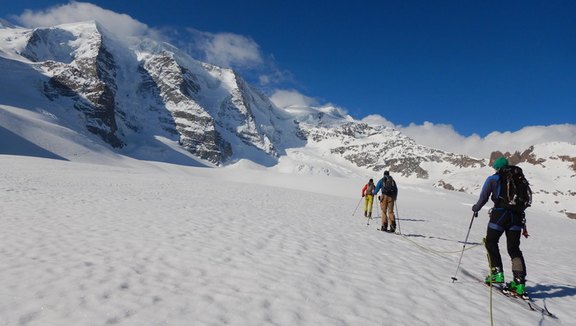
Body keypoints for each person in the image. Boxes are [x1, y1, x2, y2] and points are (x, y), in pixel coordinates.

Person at [472, 156, 528, 296]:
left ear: (497, 167)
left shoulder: (494, 179)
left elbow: (484, 197)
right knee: (514, 249)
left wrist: (476, 208)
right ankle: (519, 283)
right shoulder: (518, 178)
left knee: (491, 242)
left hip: (500, 215)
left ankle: (497, 273)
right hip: (517, 217)